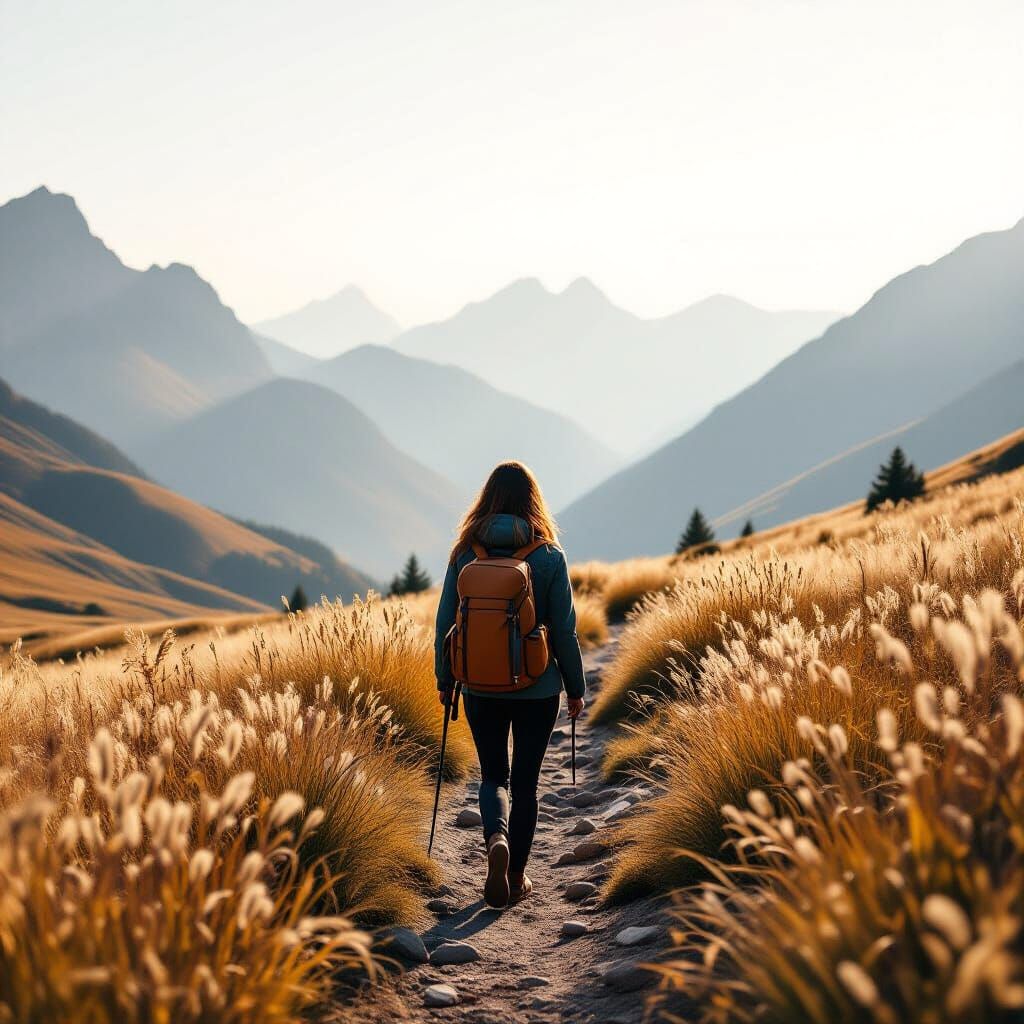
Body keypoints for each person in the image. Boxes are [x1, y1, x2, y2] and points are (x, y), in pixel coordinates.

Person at [435, 461, 586, 909]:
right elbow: (565, 631)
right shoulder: (549, 556)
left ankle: (494, 839)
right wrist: (575, 687)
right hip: (539, 689)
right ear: (533, 500)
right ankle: (516, 877)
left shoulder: (465, 553)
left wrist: (447, 681)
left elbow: (446, 622)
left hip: (480, 687)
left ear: (487, 499)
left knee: (493, 776)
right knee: (526, 784)